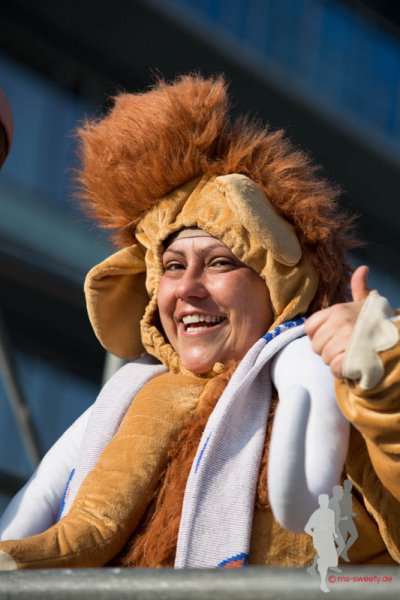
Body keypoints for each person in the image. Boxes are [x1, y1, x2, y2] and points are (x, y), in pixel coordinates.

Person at [0, 75, 399, 569]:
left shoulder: (345, 398)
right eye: (172, 266)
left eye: (219, 263)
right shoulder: (121, 407)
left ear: (280, 288)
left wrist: (387, 376)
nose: (187, 287)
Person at [304, 494, 339, 593]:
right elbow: (307, 528)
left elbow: (332, 526)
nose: (325, 503)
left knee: (333, 561)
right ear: (319, 502)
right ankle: (323, 583)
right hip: (320, 540)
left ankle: (325, 579)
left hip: (329, 539)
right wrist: (315, 535)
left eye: (326, 501)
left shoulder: (331, 512)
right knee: (324, 561)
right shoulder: (316, 514)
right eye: (323, 501)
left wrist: (335, 535)